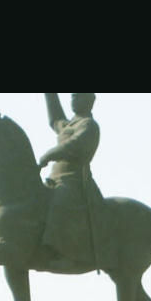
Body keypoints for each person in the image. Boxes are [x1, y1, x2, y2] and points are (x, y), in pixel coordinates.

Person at [38, 92, 105, 267]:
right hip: (55, 178)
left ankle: (64, 252)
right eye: (73, 96)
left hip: (74, 179)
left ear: (89, 101)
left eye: (78, 96)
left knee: (61, 201)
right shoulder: (70, 124)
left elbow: (74, 145)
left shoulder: (89, 125)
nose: (74, 100)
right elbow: (55, 119)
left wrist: (48, 155)